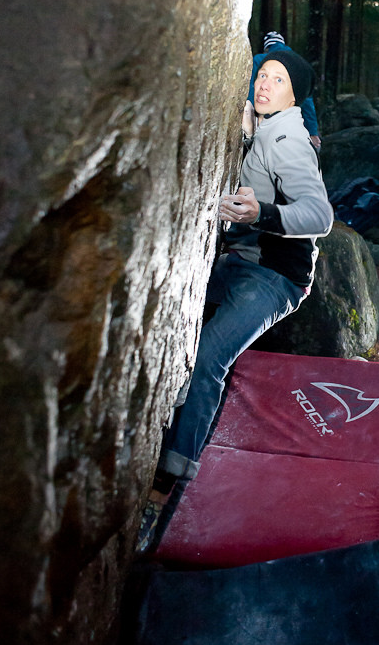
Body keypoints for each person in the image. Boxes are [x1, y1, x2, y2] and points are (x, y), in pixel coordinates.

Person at [137, 48, 333, 552]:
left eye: (279, 80)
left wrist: (262, 214)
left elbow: (320, 215)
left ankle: (165, 486)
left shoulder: (289, 139)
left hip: (275, 277)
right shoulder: (265, 128)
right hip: (240, 263)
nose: (265, 84)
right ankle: (165, 418)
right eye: (262, 75)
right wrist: (246, 136)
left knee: (208, 358)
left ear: (296, 96)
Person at [249, 32, 321, 150]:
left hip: (263, 121)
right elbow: (307, 100)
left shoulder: (259, 60)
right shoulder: (298, 63)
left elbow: (251, 90)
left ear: (267, 47)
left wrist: (251, 120)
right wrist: (312, 131)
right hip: (290, 123)